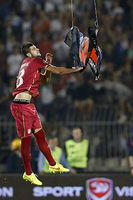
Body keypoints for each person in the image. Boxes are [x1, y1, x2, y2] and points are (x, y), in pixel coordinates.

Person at [10, 42, 84, 185]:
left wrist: (48, 64)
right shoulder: (36, 60)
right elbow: (59, 72)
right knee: (26, 139)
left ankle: (52, 164)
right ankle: (28, 173)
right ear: (28, 54)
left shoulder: (28, 62)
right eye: (33, 48)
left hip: (28, 105)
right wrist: (76, 69)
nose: (37, 49)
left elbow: (45, 80)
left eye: (36, 47)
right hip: (21, 106)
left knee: (40, 134)